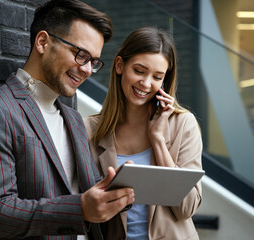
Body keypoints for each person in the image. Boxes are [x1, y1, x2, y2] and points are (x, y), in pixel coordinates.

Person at [0, 0, 134, 239]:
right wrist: (80, 209)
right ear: (42, 42)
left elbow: (86, 190)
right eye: (81, 55)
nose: (87, 70)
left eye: (93, 62)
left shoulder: (73, 119)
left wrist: (116, 189)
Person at [85, 27, 203, 240]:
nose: (146, 84)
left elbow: (187, 208)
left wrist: (157, 140)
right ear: (120, 65)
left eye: (157, 77)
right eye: (139, 71)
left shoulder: (183, 124)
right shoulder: (90, 129)